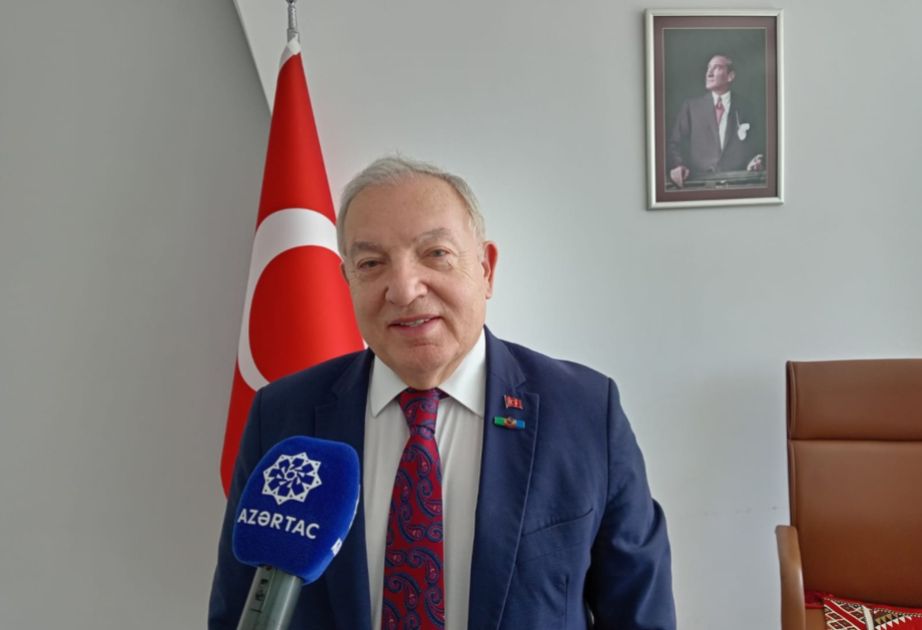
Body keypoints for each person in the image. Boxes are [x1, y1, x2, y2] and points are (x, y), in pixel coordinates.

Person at [209, 156, 675, 629]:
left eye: (435, 253)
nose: (404, 289)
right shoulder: (282, 415)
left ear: (486, 269)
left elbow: (640, 615)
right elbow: (237, 612)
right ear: (347, 281)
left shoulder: (585, 412)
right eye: (371, 263)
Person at [667, 53, 765, 188]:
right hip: (699, 184)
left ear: (730, 76)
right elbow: (675, 144)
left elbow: (756, 146)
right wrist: (678, 165)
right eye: (708, 68)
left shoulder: (747, 108)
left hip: (738, 184)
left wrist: (754, 162)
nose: (709, 73)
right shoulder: (691, 107)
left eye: (717, 67)